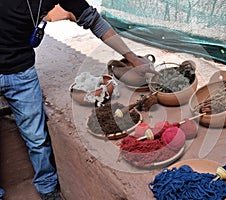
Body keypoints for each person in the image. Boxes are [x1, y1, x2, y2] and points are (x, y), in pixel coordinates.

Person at [0, 1, 158, 199]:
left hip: (22, 73)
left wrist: (134, 59)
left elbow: (94, 21)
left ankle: (47, 188)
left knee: (36, 137)